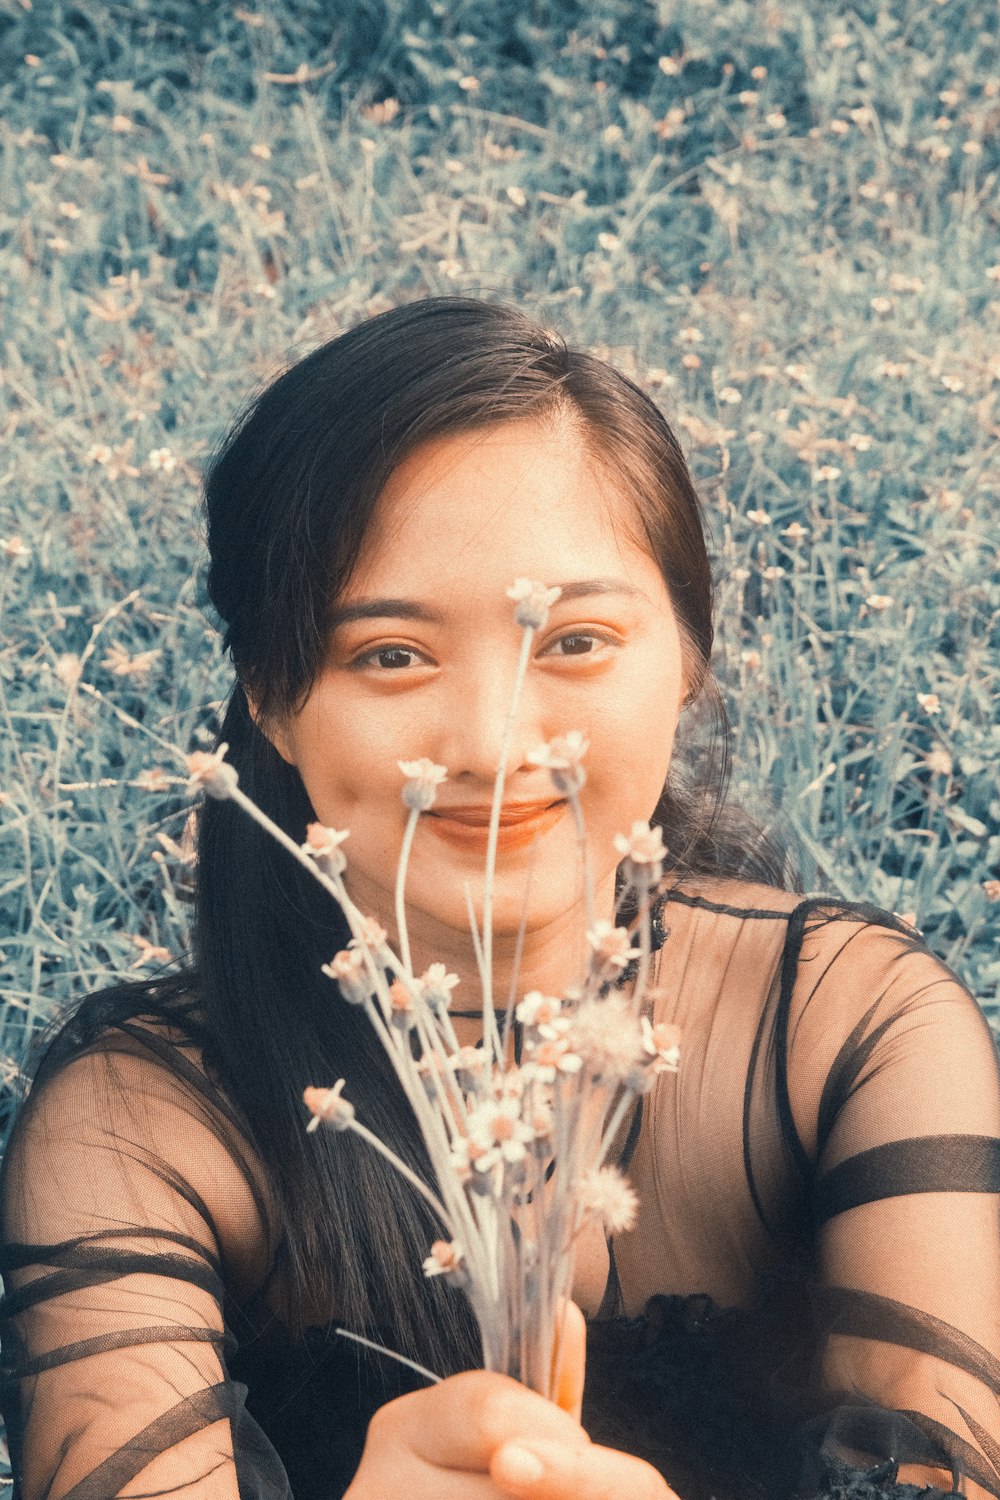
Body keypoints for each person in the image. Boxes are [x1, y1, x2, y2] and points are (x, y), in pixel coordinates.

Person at [1, 296, 998, 1500]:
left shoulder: (840, 1031)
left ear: (687, 653)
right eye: (390, 656)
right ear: (270, 701)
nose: (491, 742)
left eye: (573, 641)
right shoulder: (146, 1124)